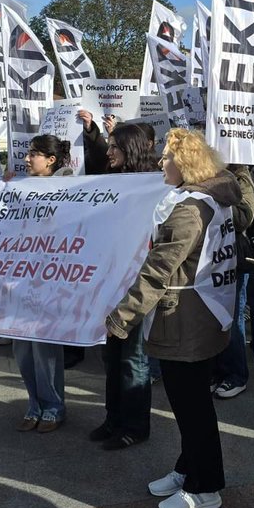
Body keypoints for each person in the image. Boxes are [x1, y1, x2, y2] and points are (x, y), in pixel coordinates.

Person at [107, 129, 240, 508]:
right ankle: (188, 468)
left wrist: (122, 317)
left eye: (166, 158)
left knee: (193, 407)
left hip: (185, 319)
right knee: (189, 404)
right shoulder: (212, 198)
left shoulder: (189, 209)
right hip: (204, 315)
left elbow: (158, 269)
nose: (161, 163)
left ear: (185, 164)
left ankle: (206, 486)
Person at [92, 124, 159, 449]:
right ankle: (113, 419)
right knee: (111, 355)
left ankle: (135, 426)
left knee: (133, 358)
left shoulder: (156, 187)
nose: (109, 152)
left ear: (131, 148)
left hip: (137, 286)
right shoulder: (110, 182)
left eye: (115, 147)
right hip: (109, 284)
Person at [12, 134, 71, 434]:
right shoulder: (22, 187)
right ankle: (34, 404)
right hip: (19, 279)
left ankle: (54, 406)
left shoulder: (69, 188)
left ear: (50, 160)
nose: (26, 159)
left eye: (33, 154)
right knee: (22, 349)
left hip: (48, 281)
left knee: (45, 349)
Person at [210, 163, 254, 400]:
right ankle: (217, 371)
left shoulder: (240, 177)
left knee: (232, 318)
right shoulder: (204, 174)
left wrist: (219, 187)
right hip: (212, 257)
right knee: (212, 316)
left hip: (234, 258)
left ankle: (236, 375)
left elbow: (244, 218)